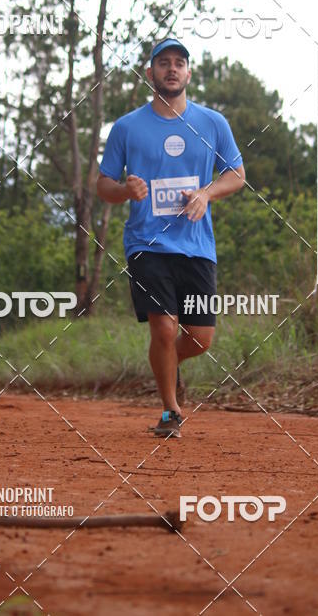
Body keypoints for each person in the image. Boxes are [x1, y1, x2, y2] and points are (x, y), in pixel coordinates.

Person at [97, 38, 245, 438]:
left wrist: (205, 193)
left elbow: (236, 174)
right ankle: (170, 412)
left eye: (179, 63)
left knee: (200, 338)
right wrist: (126, 190)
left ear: (189, 73)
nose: (172, 69)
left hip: (197, 246)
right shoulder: (127, 127)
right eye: (164, 63)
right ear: (151, 73)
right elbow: (103, 185)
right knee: (163, 329)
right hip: (147, 244)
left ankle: (167, 364)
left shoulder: (213, 123)